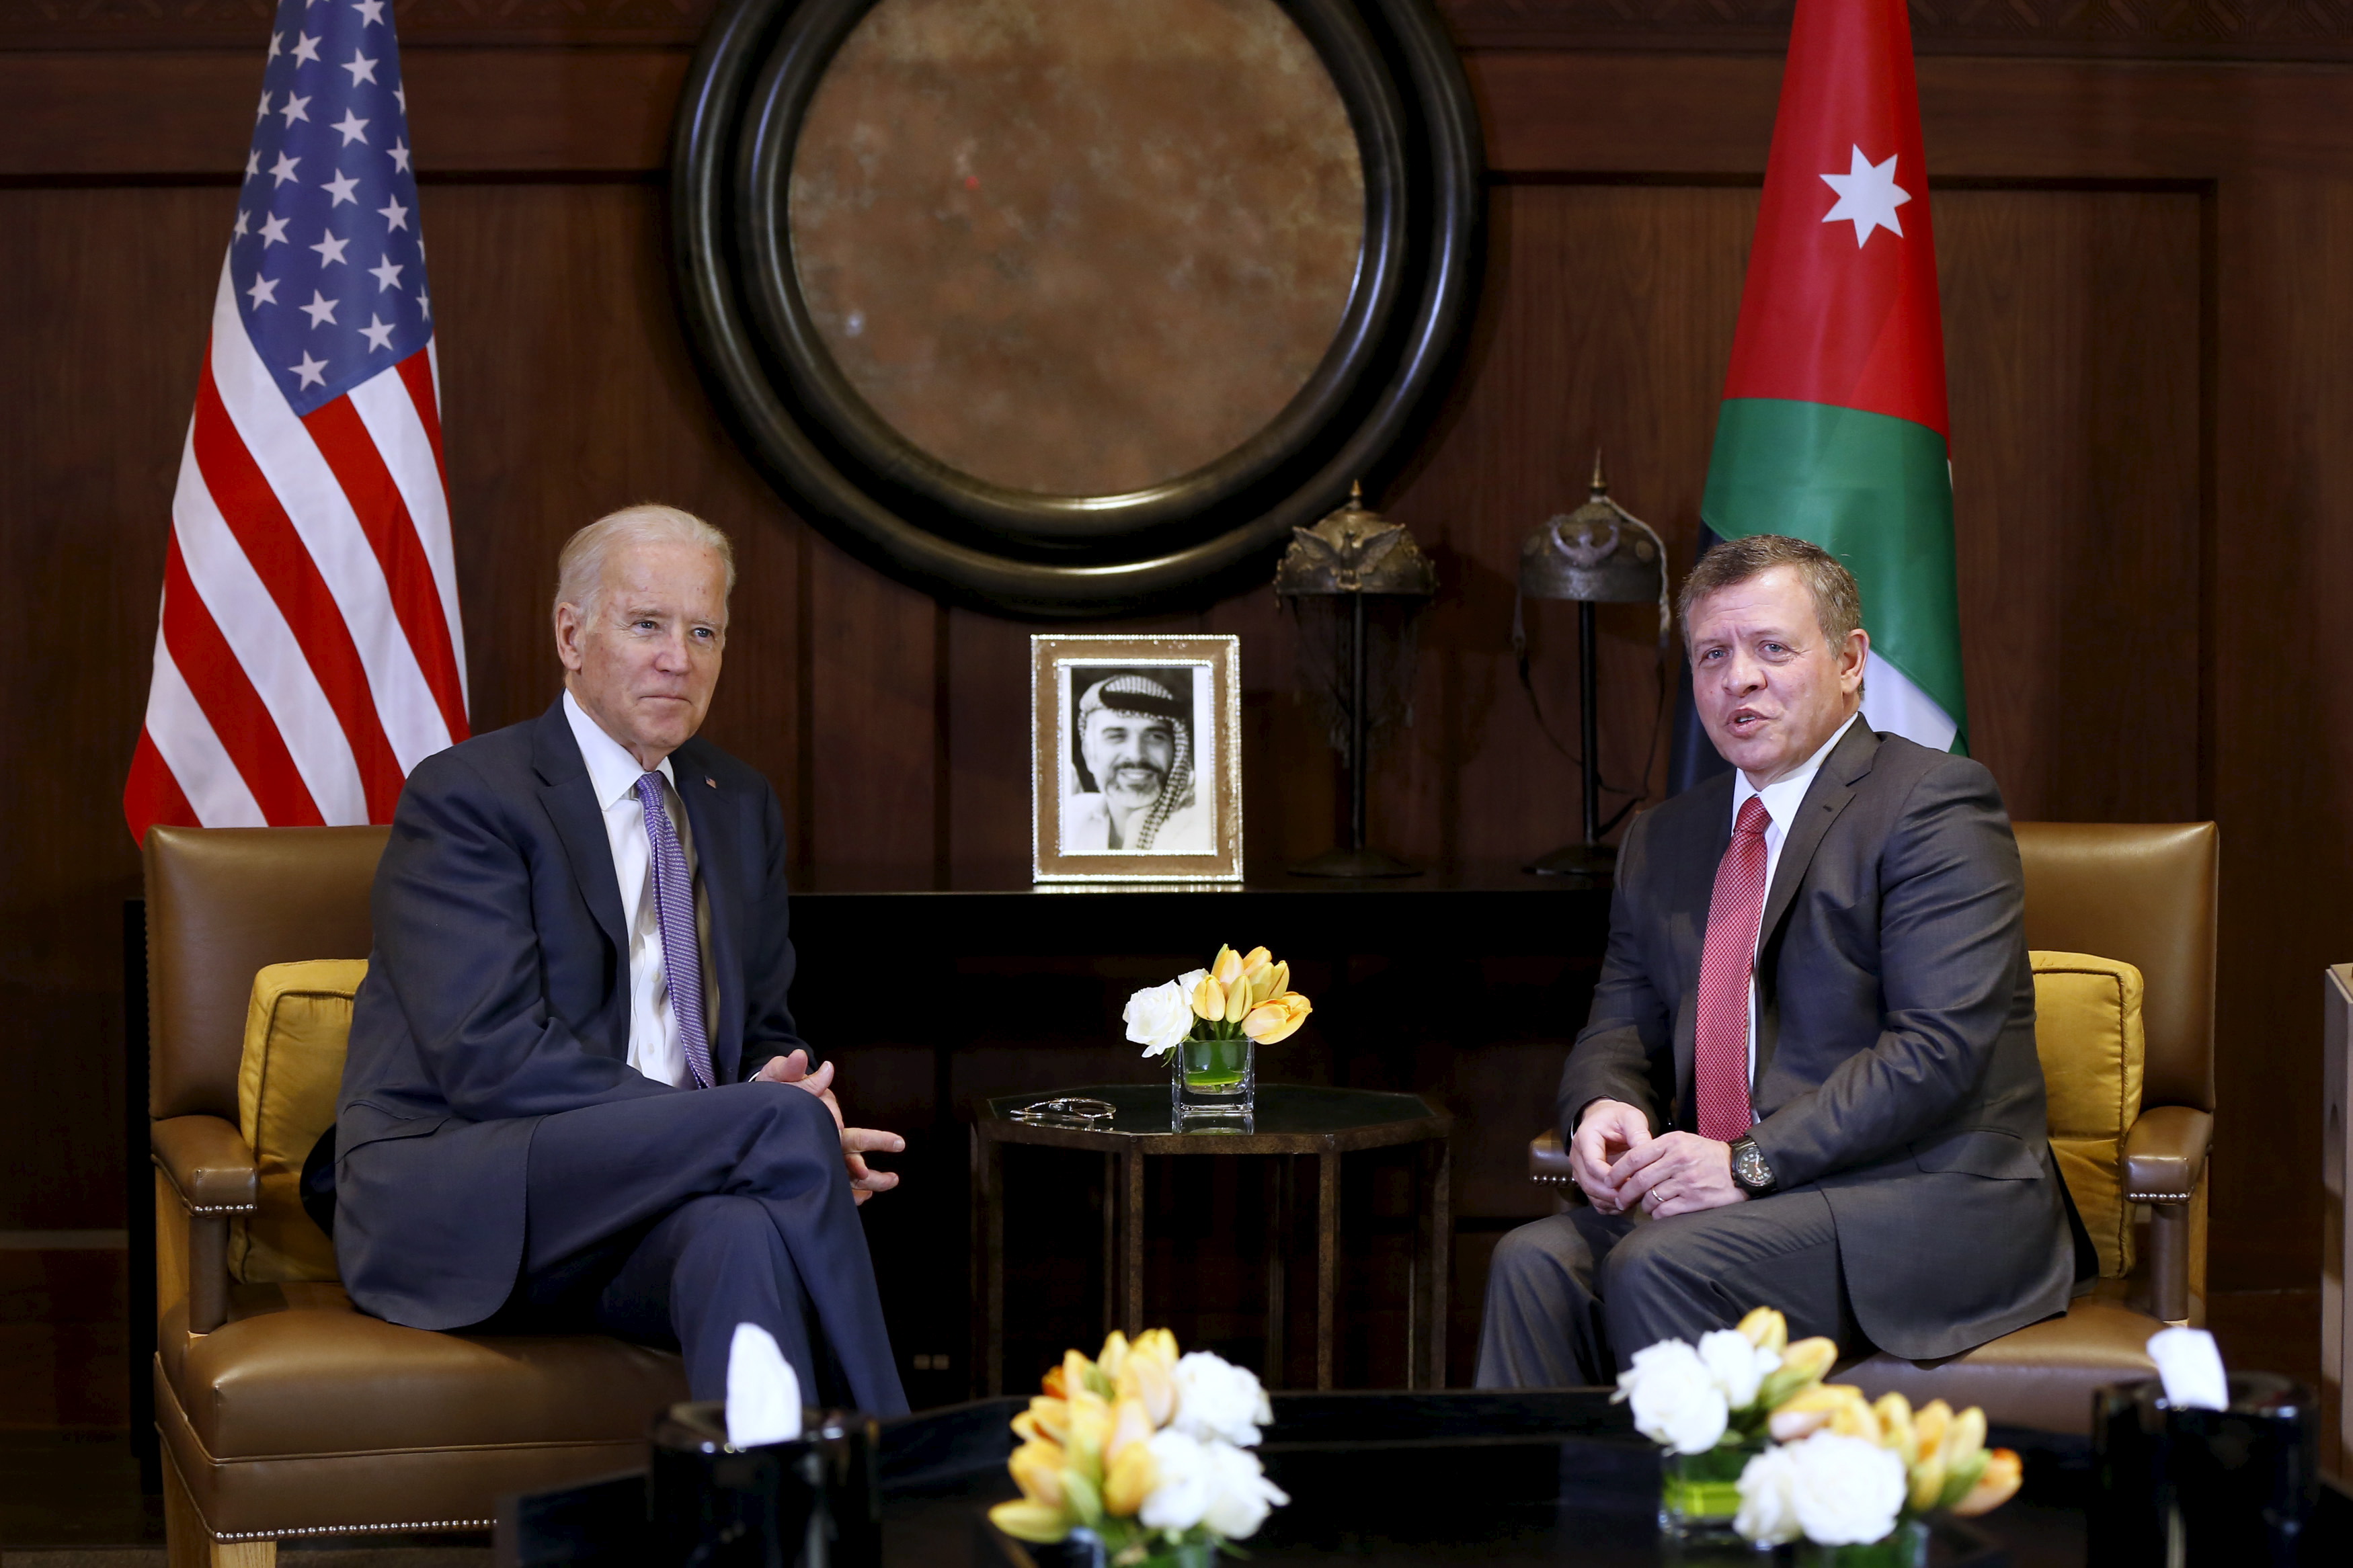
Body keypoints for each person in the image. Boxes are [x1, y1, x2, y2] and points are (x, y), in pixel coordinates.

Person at [333, 504, 908, 1413]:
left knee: (741, 1238)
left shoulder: (737, 803)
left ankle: (771, 1526)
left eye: (703, 630)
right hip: (479, 1195)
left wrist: (769, 1082)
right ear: (571, 633)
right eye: (647, 624)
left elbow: (760, 1021)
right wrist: (745, 1124)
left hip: (664, 1203)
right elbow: (490, 1057)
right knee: (780, 1130)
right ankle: (901, 1485)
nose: (679, 657)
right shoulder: (468, 797)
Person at [1476, 534, 2085, 1389]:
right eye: (1712, 654)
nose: (1739, 678)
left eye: (1771, 648)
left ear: (1848, 662)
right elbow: (1618, 1022)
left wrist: (1746, 1162)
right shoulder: (1664, 836)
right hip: (1737, 1201)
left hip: (1919, 1199)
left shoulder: (1933, 803)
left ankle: (1713, 1522)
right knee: (1532, 1263)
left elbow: (1939, 1050)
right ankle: (1545, 1524)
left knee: (1662, 1263)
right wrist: (1602, 1104)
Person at [1060, 671, 1211, 853]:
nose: (1136, 755)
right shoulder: (1070, 818)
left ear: (1175, 750)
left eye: (1155, 737)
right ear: (1089, 754)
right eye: (1116, 737)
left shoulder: (1203, 827)